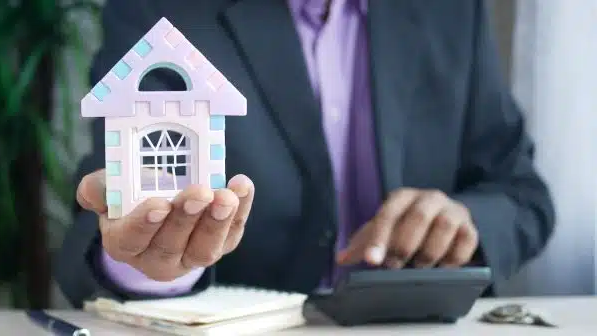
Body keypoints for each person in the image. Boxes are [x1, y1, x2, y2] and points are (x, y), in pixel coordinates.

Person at [55, 0, 555, 308]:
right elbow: (105, 214)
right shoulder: (160, 9)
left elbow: (522, 194)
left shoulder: (451, 9)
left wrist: (465, 220)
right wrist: (152, 264)